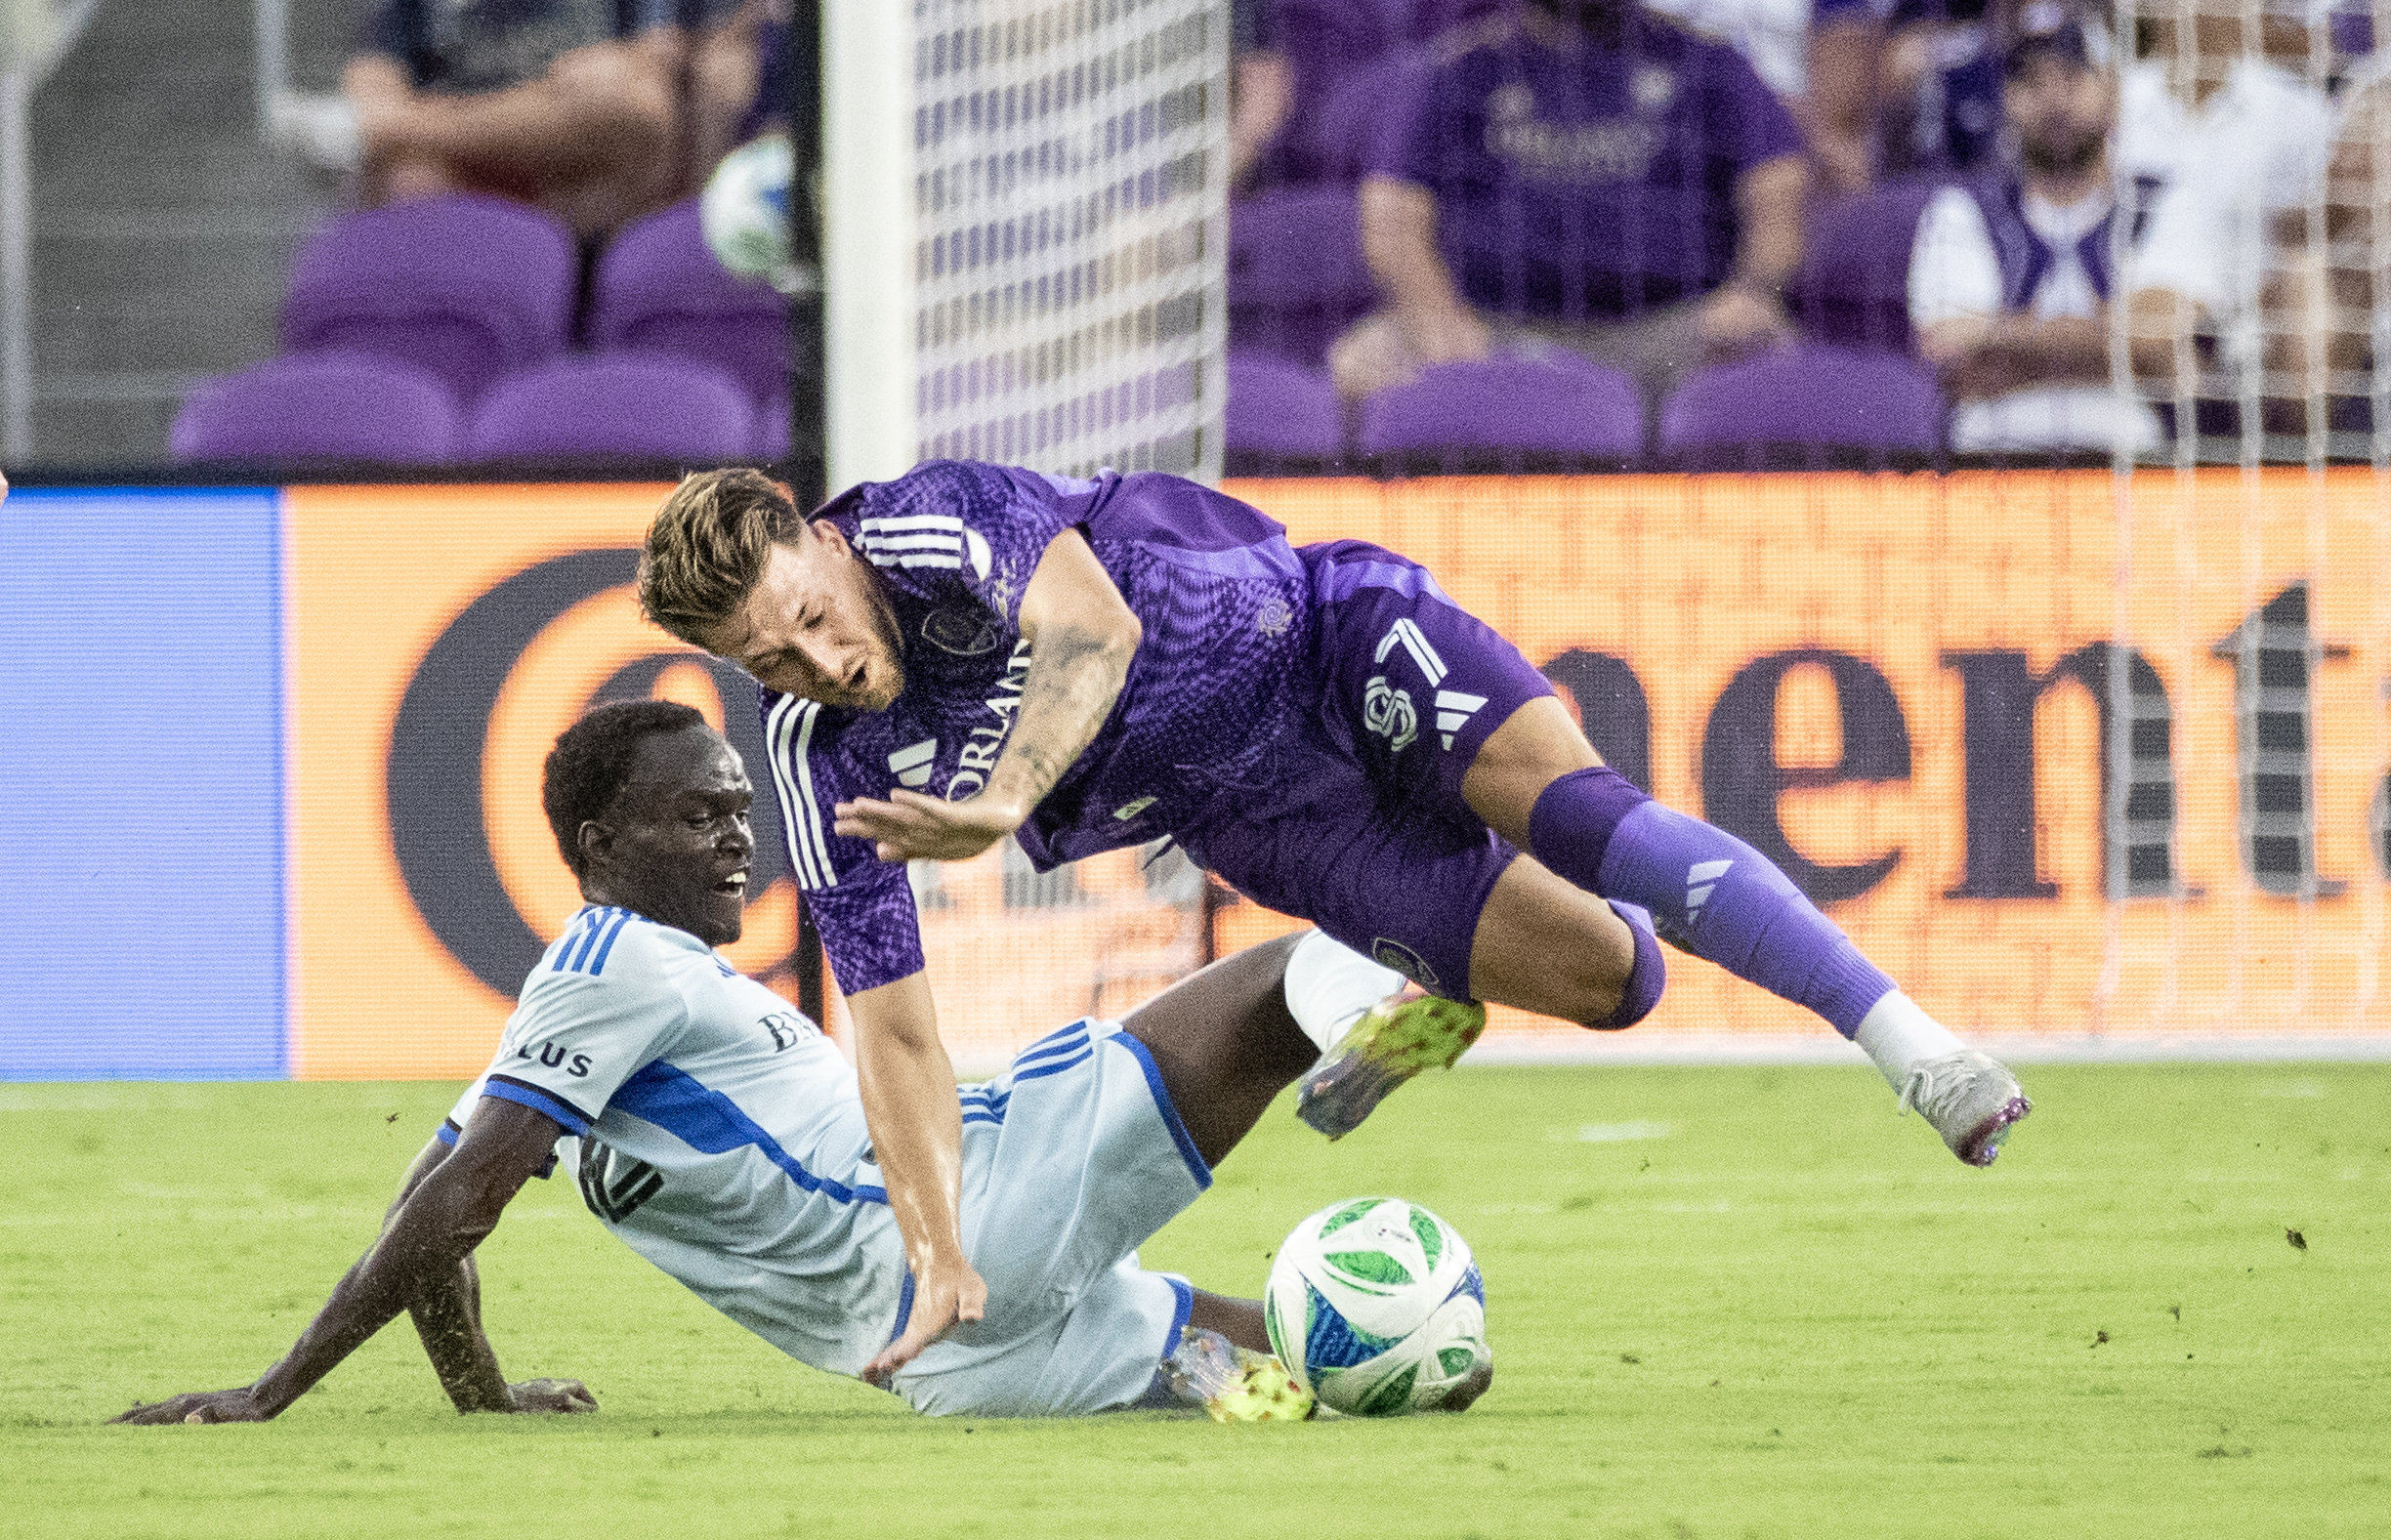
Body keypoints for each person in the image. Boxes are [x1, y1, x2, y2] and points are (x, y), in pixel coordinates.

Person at [635, 461, 2037, 1374]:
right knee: (1620, 983)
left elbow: (1093, 633)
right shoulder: (824, 765)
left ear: (820, 539)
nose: (828, 662)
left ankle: (1919, 1048)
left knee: (1582, 814)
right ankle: (1356, 974)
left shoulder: (931, 523)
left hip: (1327, 635)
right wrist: (939, 1248)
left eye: (816, 613)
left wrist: (1000, 803)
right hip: (1269, 820)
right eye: (775, 659)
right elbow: (890, 1031)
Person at [110, 701, 1482, 1426]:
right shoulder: (616, 963)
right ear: (599, 840)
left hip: (949, 1367)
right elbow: (449, 1208)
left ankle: (1421, 1355)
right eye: (698, 816)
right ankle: (1407, 991)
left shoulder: (590, 1024)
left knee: (1301, 1369)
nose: (736, 839)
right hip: (983, 1201)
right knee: (1273, 980)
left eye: (738, 811)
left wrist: (486, 1397)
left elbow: (440, 1210)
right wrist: (274, 1390)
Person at [1327, 0, 1810, 410]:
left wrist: (1751, 292)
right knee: (1364, 363)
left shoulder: (1708, 63)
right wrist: (1438, 322)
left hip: (1672, 332)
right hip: (1492, 330)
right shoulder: (1460, 68)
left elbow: (1777, 188)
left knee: (1771, 354)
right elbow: (1392, 217)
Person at [1906, 6, 2161, 454]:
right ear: (2006, 97)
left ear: (2113, 91)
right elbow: (1950, 355)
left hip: (2132, 458)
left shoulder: (2154, 205)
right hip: (1990, 456)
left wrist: (2002, 339)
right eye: (2032, 82)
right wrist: (2106, 344)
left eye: (2072, 78)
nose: (2054, 100)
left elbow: (2167, 354)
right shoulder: (1962, 209)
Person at [342, 0, 683, 239]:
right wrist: (545, 103)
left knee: (638, 116)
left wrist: (421, 122)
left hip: (580, 167)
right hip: (464, 173)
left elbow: (632, 94)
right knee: (410, 175)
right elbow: (373, 105)